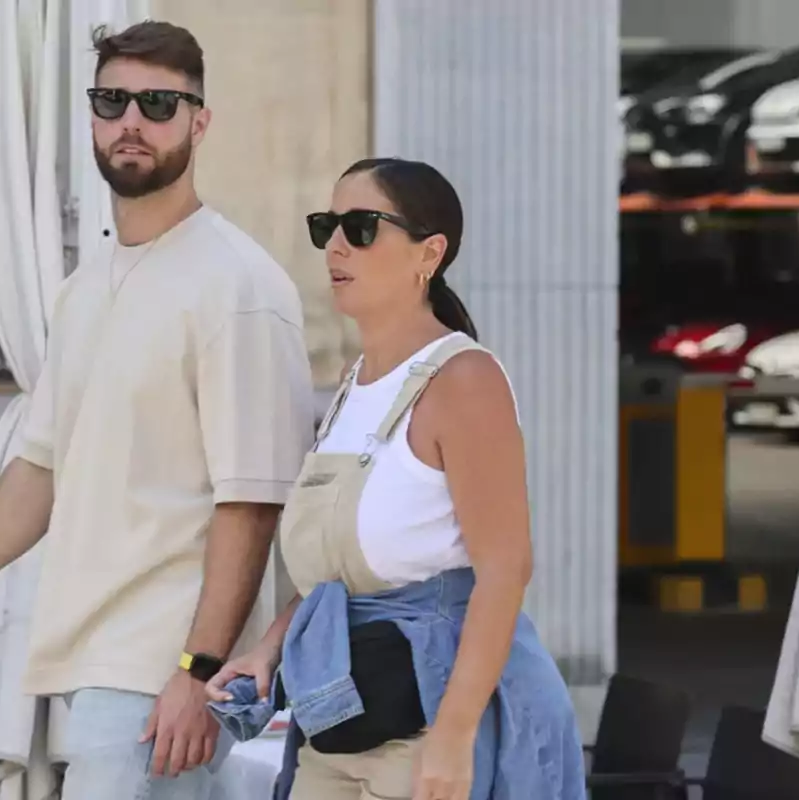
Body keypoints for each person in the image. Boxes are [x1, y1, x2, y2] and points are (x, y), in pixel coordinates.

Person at [0, 20, 315, 800]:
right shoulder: (83, 291)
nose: (132, 123)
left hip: (165, 673)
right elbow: (41, 466)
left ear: (199, 121)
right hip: (84, 661)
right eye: (112, 100)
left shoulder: (239, 288)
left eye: (158, 104)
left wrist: (199, 669)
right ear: (90, 115)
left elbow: (251, 503)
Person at [205, 158, 587, 800]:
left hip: (428, 720)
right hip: (339, 722)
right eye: (326, 225)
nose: (334, 245)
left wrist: (455, 735)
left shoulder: (464, 380)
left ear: (429, 253)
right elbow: (341, 579)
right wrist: (267, 651)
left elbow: (505, 568)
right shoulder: (356, 386)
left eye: (360, 226)